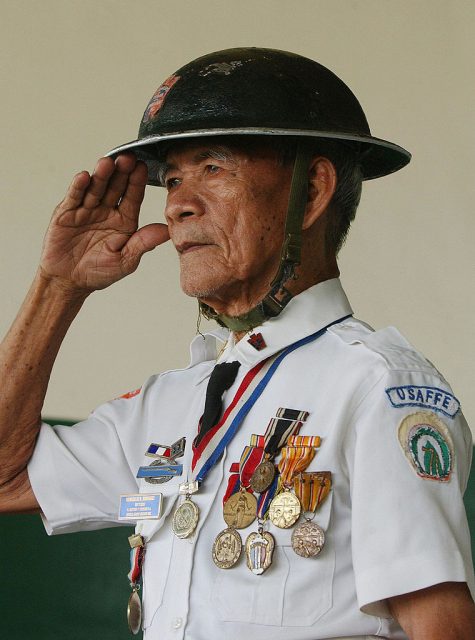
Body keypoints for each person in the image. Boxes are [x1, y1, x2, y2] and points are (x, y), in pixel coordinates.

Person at [0, 47, 474, 640]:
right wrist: (57, 287)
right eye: (171, 179)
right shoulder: (170, 405)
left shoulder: (377, 386)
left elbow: (442, 627)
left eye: (213, 169)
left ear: (311, 192)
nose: (177, 203)